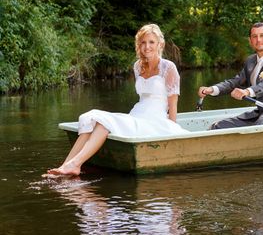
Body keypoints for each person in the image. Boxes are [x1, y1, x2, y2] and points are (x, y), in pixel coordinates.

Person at [46, 23, 189, 176]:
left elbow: (172, 104)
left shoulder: (168, 67)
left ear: (160, 44)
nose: (147, 46)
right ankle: (66, 165)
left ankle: (75, 165)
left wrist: (173, 129)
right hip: (136, 115)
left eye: (151, 42)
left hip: (155, 120)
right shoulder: (138, 66)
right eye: (143, 42)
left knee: (103, 123)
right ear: (138, 45)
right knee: (92, 118)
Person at [198, 22, 263, 129]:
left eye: (262, 35)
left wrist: (248, 91)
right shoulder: (250, 61)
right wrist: (213, 89)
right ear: (250, 41)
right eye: (254, 36)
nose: (258, 40)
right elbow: (236, 82)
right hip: (261, 114)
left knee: (259, 127)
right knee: (218, 126)